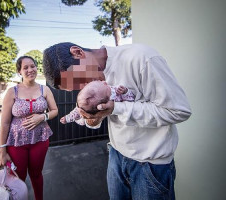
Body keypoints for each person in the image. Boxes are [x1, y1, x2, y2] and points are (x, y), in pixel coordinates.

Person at [43, 42, 192, 200]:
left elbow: (178, 110)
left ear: (78, 52)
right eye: (76, 87)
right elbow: (97, 119)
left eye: (79, 80)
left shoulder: (141, 58)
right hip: (115, 156)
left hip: (151, 165)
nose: (83, 87)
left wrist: (117, 108)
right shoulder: (90, 78)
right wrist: (92, 120)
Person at [0, 55, 58, 200]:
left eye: (33, 66)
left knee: (37, 174)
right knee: (18, 178)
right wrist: (2, 151)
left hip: (40, 140)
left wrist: (42, 117)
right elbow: (4, 123)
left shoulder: (45, 90)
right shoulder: (13, 92)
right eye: (25, 67)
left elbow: (55, 111)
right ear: (19, 71)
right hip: (16, 142)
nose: (30, 70)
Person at [60, 80, 135, 125]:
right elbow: (130, 99)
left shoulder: (115, 92)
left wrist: (125, 91)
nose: (103, 81)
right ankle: (75, 119)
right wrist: (125, 93)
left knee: (80, 111)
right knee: (79, 111)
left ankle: (80, 119)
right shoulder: (116, 94)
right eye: (100, 82)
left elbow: (130, 102)